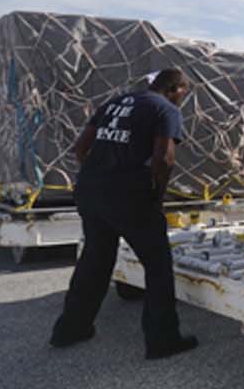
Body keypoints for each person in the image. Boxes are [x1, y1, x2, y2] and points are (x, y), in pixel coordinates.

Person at [49, 69, 199, 359]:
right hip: (128, 192)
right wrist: (156, 194)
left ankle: (70, 329)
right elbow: (164, 158)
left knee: (95, 259)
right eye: (184, 93)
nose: (184, 99)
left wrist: (100, 173)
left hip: (91, 189)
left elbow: (81, 148)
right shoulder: (165, 109)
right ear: (175, 88)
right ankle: (162, 340)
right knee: (157, 264)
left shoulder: (116, 102)